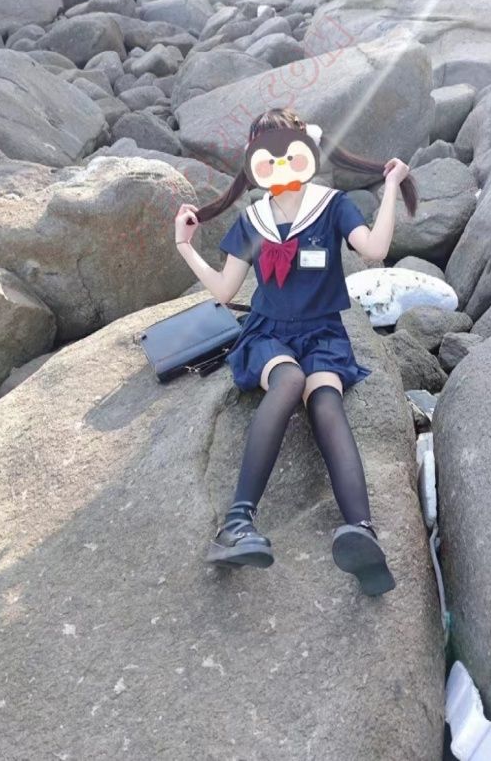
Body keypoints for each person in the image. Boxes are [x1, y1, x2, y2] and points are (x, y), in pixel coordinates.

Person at [174, 107, 417, 596]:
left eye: (289, 150)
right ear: (254, 162)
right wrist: (184, 245)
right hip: (268, 334)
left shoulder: (332, 205)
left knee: (326, 402)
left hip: (323, 334)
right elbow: (225, 290)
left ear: (307, 149)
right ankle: (237, 523)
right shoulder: (253, 219)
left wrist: (390, 186)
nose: (281, 163)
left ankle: (362, 531)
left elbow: (373, 249)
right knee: (288, 380)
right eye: (268, 154)